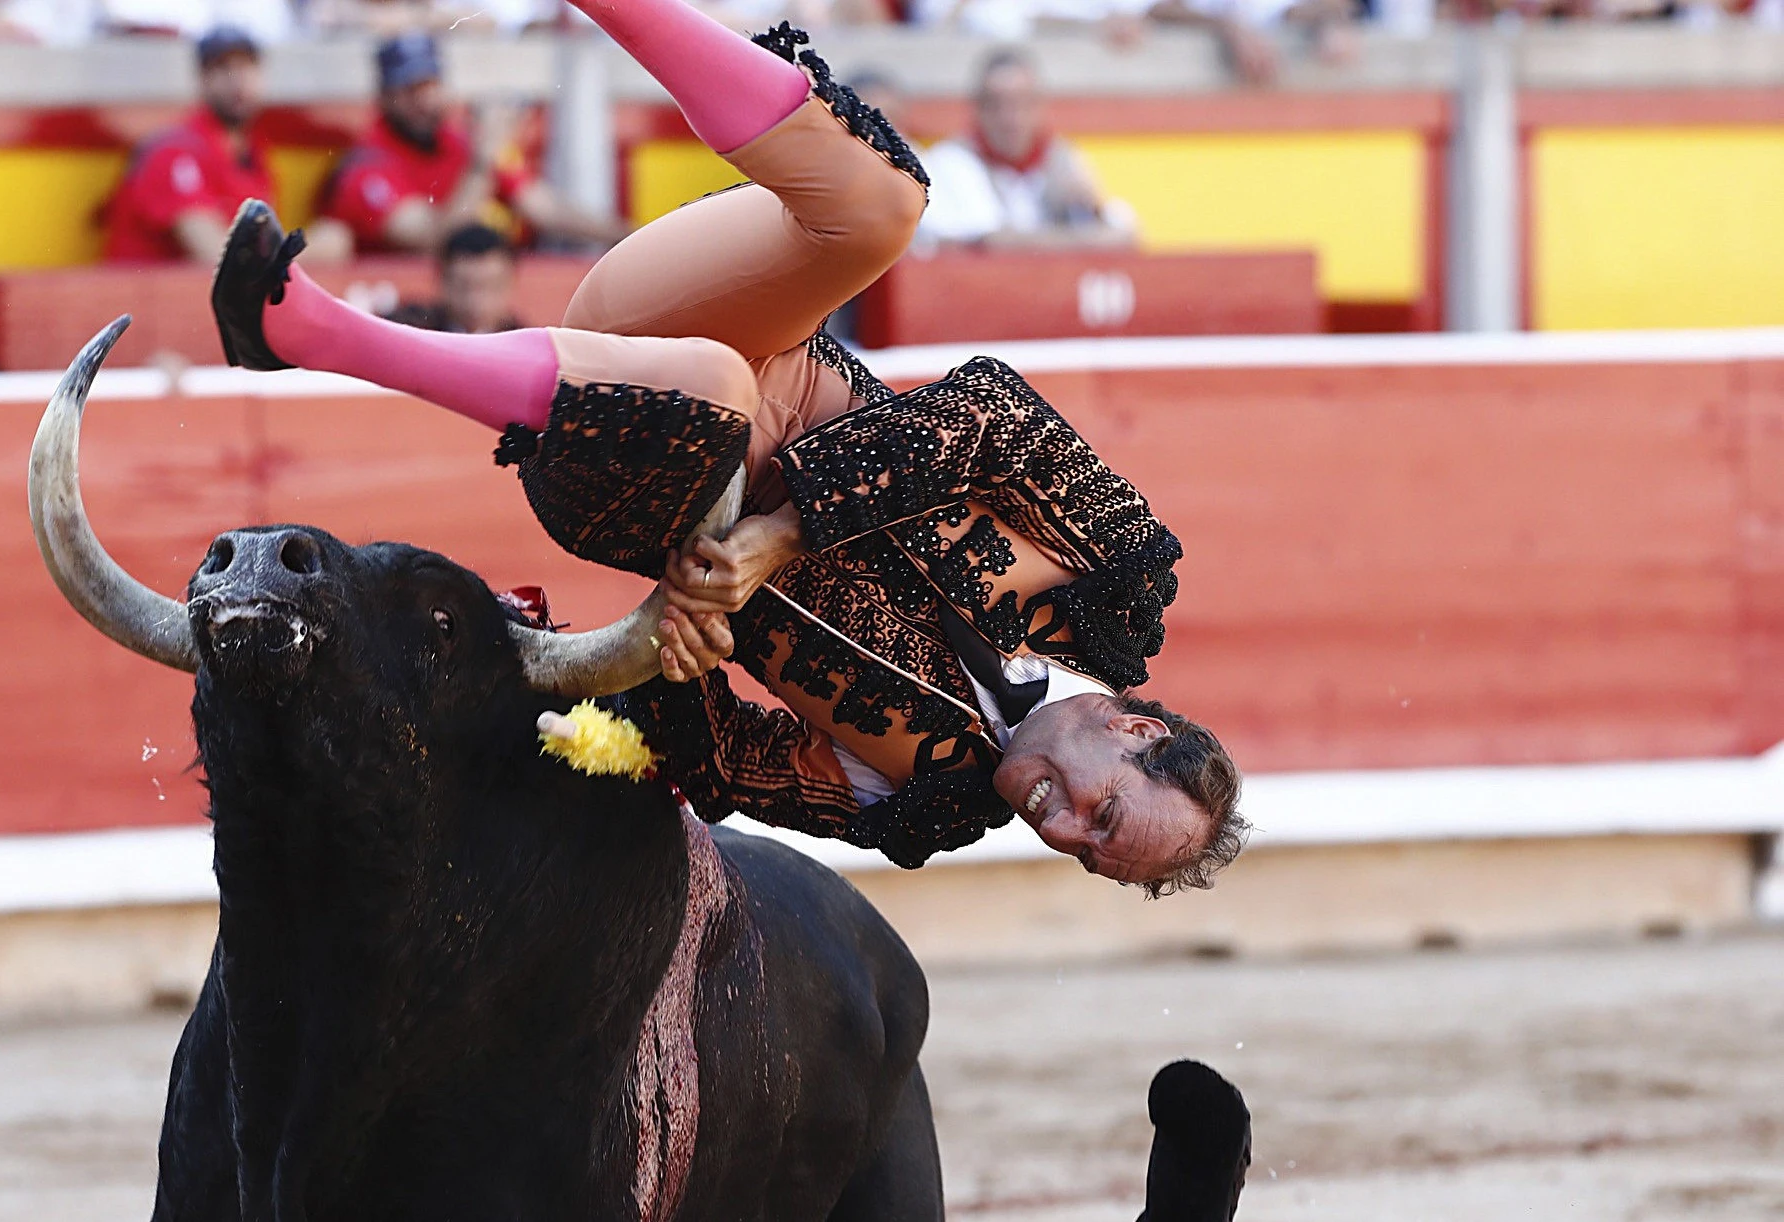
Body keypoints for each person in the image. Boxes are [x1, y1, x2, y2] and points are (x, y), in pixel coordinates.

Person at [211, 13, 1245, 893]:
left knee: (713, 394)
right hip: (732, 335)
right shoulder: (1117, 577)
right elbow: (987, 411)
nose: (1060, 832)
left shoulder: (920, 802)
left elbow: (720, 764)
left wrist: (684, 657)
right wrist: (783, 536)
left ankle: (307, 333)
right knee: (880, 205)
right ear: (1138, 731)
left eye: (1086, 856)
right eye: (1104, 816)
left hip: (627, 477)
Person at [312, 33, 627, 257]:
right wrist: (482, 162)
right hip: (397, 314)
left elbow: (543, 208)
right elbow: (436, 239)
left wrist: (629, 235)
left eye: (431, 85)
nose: (424, 101)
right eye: (409, 90)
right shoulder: (366, 167)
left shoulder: (458, 141)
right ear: (383, 97)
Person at [103, 25, 318, 263]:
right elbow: (218, 255)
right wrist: (312, 252)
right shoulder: (172, 151)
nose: (238, 81)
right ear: (202, 78)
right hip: (139, 297)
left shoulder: (255, 154)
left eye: (247, 67)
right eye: (223, 69)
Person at [917, 49, 1136, 251]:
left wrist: (1094, 211)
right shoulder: (950, 161)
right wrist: (1082, 240)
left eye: (1023, 104)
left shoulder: (1062, 156)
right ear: (978, 108)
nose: (1012, 119)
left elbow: (1124, 235)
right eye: (997, 105)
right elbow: (993, 243)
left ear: (1040, 106)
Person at [386, 223, 524, 334]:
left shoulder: (526, 345)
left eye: (490, 287)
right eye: (464, 287)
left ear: (510, 282)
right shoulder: (410, 330)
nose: (475, 303)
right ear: (441, 278)